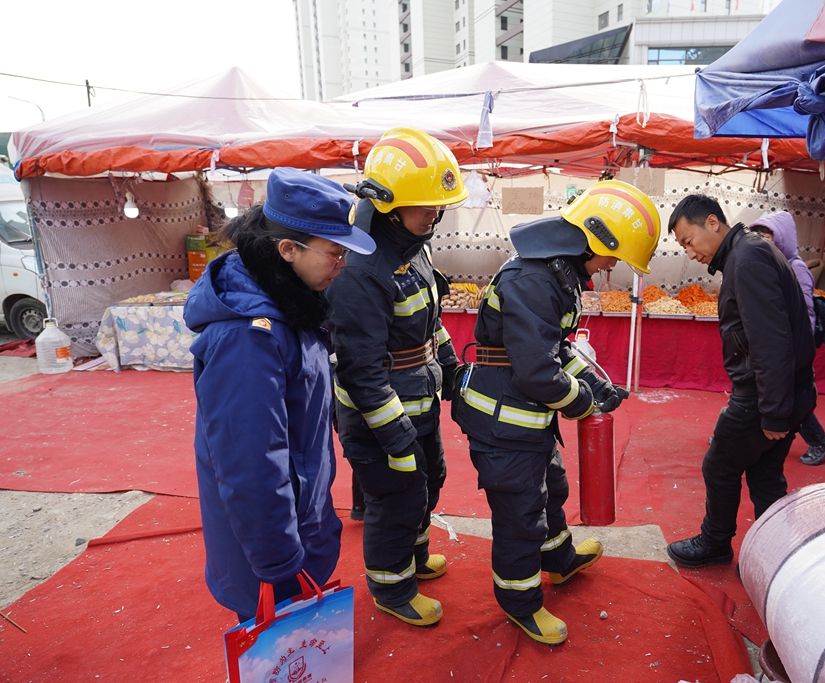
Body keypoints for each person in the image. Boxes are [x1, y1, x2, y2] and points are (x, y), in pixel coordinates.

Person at [452, 180, 660, 644]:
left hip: (526, 418)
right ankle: (521, 603)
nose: (612, 266)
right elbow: (537, 372)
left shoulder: (555, 273)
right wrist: (583, 401)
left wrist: (594, 382)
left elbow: (555, 347)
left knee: (550, 492)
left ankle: (559, 561)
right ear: (594, 239)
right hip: (504, 422)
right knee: (520, 514)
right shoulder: (533, 281)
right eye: (613, 256)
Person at [185, 167, 376, 622]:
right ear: (288, 250)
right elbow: (251, 463)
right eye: (335, 253)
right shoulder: (248, 337)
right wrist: (278, 562)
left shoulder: (293, 305)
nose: (342, 265)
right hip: (269, 547)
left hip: (299, 520)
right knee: (278, 642)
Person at [326, 128, 465, 628]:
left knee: (430, 480)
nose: (435, 215)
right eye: (425, 207)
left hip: (417, 400)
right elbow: (361, 373)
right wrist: (395, 435)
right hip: (377, 417)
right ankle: (392, 588)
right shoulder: (360, 270)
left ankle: (415, 556)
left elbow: (430, 319)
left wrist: (451, 370)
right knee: (395, 496)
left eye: (438, 206)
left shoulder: (411, 245)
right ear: (388, 206)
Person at [665, 194, 816, 568]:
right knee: (765, 472)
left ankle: (716, 542)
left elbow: (770, 340)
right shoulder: (746, 253)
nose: (690, 253)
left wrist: (774, 412)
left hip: (762, 396)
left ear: (712, 222)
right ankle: (776, 551)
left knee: (719, 464)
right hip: (786, 390)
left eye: (689, 241)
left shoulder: (747, 259)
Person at [748, 211, 825, 466]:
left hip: (791, 346)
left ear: (782, 239)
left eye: (767, 238)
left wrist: (794, 348)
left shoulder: (796, 269)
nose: (762, 244)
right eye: (758, 238)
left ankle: (820, 442)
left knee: (792, 397)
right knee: (762, 391)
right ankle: (735, 435)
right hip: (775, 343)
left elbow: (806, 313)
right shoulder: (771, 266)